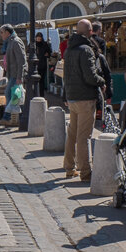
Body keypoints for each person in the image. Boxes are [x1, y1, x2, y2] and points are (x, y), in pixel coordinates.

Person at [62, 19, 105, 182]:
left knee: (72, 134)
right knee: (83, 136)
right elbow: (90, 76)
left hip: (72, 97)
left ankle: (69, 167)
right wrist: (101, 81)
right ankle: (86, 172)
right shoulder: (86, 49)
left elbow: (66, 75)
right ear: (89, 32)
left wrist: (66, 95)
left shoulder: (69, 49)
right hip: (85, 97)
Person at [0, 24, 27, 125]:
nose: (0, 35)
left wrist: (20, 76)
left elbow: (22, 61)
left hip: (16, 74)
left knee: (12, 95)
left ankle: (10, 118)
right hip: (12, 73)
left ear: (7, 32)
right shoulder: (10, 42)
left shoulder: (16, 42)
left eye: (2, 32)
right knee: (15, 96)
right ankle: (16, 119)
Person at [34, 33, 53, 97]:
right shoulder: (33, 44)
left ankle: (41, 95)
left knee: (41, 81)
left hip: (42, 65)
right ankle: (36, 94)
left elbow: (50, 52)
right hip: (34, 65)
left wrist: (47, 54)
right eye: (38, 37)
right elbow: (28, 51)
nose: (39, 38)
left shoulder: (44, 44)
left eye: (40, 37)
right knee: (35, 81)